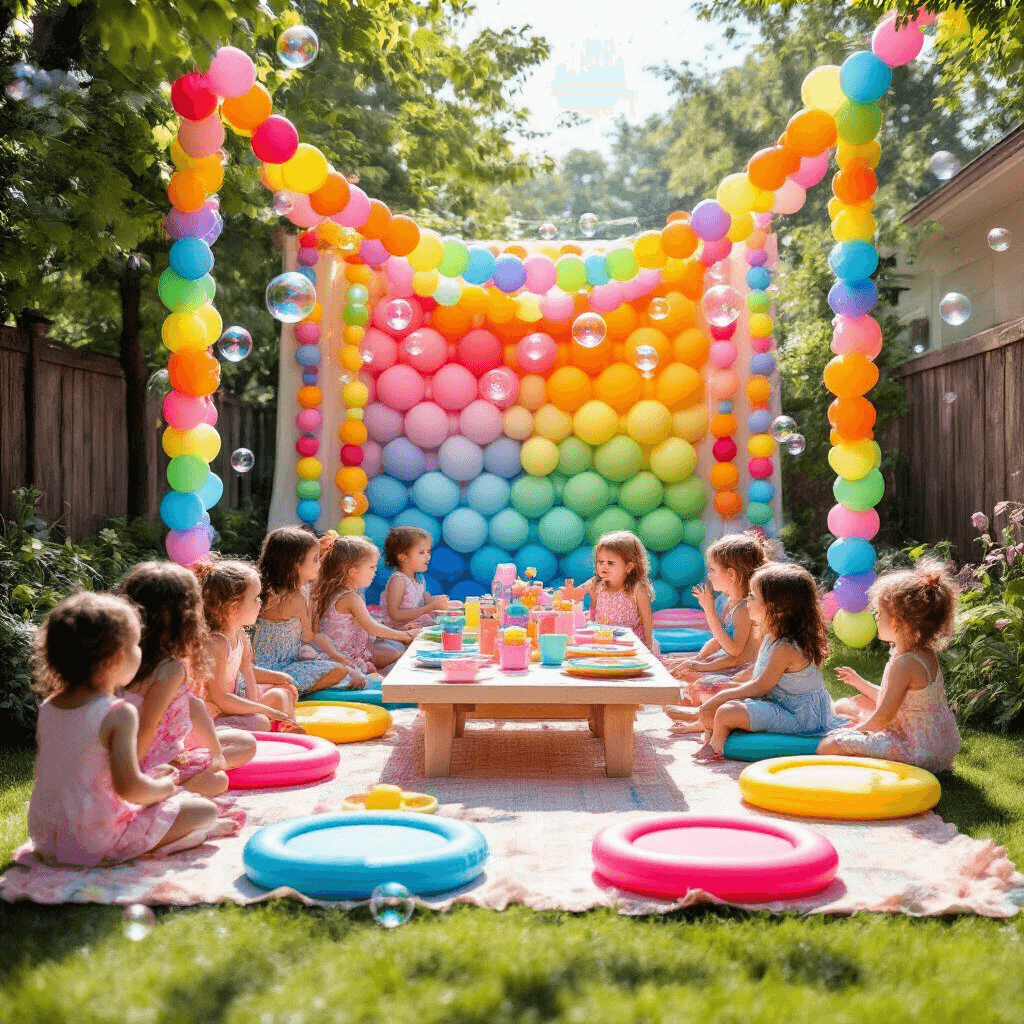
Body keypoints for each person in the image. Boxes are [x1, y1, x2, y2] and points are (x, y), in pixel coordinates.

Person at [23, 592, 220, 867]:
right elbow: (129, 788)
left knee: (165, 797)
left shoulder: (49, 708)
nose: (140, 652)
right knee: (205, 811)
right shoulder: (117, 713)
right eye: (135, 645)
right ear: (114, 658)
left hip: (48, 838)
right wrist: (165, 787)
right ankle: (134, 848)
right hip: (92, 840)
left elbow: (81, 776)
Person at [116, 562, 255, 797]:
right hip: (145, 762)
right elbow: (147, 727)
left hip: (154, 749)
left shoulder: (126, 654)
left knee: (242, 748)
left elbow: (193, 705)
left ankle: (165, 788)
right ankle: (159, 798)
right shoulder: (169, 668)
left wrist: (215, 754)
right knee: (217, 781)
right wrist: (133, 778)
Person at [818, 561, 961, 772]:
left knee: (828, 745)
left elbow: (884, 716)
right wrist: (859, 682)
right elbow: (899, 702)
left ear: (898, 622)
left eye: (880, 613)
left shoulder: (904, 663)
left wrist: (853, 732)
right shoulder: (923, 652)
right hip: (940, 745)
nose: (875, 617)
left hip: (918, 750)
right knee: (856, 703)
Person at [694, 563, 833, 761]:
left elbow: (760, 686)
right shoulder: (770, 637)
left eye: (752, 596)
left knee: (725, 712)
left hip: (799, 717)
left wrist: (722, 696)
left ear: (776, 608)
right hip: (779, 704)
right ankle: (712, 733)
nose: (746, 600)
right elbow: (759, 675)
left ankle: (716, 747)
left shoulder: (785, 647)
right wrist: (728, 686)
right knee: (717, 696)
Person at [664, 532, 769, 729]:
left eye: (712, 570)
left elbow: (735, 652)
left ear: (731, 574)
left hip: (744, 671)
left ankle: (701, 718)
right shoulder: (728, 601)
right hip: (733, 664)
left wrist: (709, 612)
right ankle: (701, 709)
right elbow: (720, 639)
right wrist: (697, 658)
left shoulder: (744, 609)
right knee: (687, 671)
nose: (709, 576)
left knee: (700, 681)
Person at [253, 526, 367, 693]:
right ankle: (287, 689)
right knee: (339, 670)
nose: (319, 564)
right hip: (281, 668)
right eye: (315, 559)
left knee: (323, 661)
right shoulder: (295, 597)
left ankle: (278, 686)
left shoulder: (266, 590)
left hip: (257, 667)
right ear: (296, 565)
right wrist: (339, 659)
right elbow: (309, 636)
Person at [195, 557, 303, 732]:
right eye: (255, 598)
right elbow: (221, 699)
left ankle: (286, 730)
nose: (260, 603)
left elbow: (248, 674)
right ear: (234, 609)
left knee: (283, 694)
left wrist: (255, 706)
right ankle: (277, 732)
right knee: (260, 722)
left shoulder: (240, 635)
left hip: (234, 705)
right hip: (214, 716)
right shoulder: (216, 644)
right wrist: (262, 711)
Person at [312, 536, 419, 674]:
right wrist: (406, 636)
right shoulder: (350, 597)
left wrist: (399, 632)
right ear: (353, 571)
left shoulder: (339, 592)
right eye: (372, 567)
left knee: (395, 648)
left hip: (347, 651)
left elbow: (366, 625)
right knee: (401, 653)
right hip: (346, 657)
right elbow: (371, 627)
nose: (375, 571)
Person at [567, 530, 654, 648]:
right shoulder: (597, 583)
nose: (604, 567)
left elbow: (647, 619)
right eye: (601, 562)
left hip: (628, 644)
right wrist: (570, 593)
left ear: (628, 567)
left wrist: (648, 644)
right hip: (601, 640)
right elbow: (578, 592)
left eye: (611, 563)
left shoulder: (637, 589)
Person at [381, 526, 450, 629]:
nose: (428, 556)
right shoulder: (398, 580)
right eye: (422, 552)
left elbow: (418, 606)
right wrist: (429, 607)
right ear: (403, 558)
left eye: (428, 552)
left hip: (414, 626)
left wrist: (433, 601)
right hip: (398, 631)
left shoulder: (419, 579)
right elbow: (395, 615)